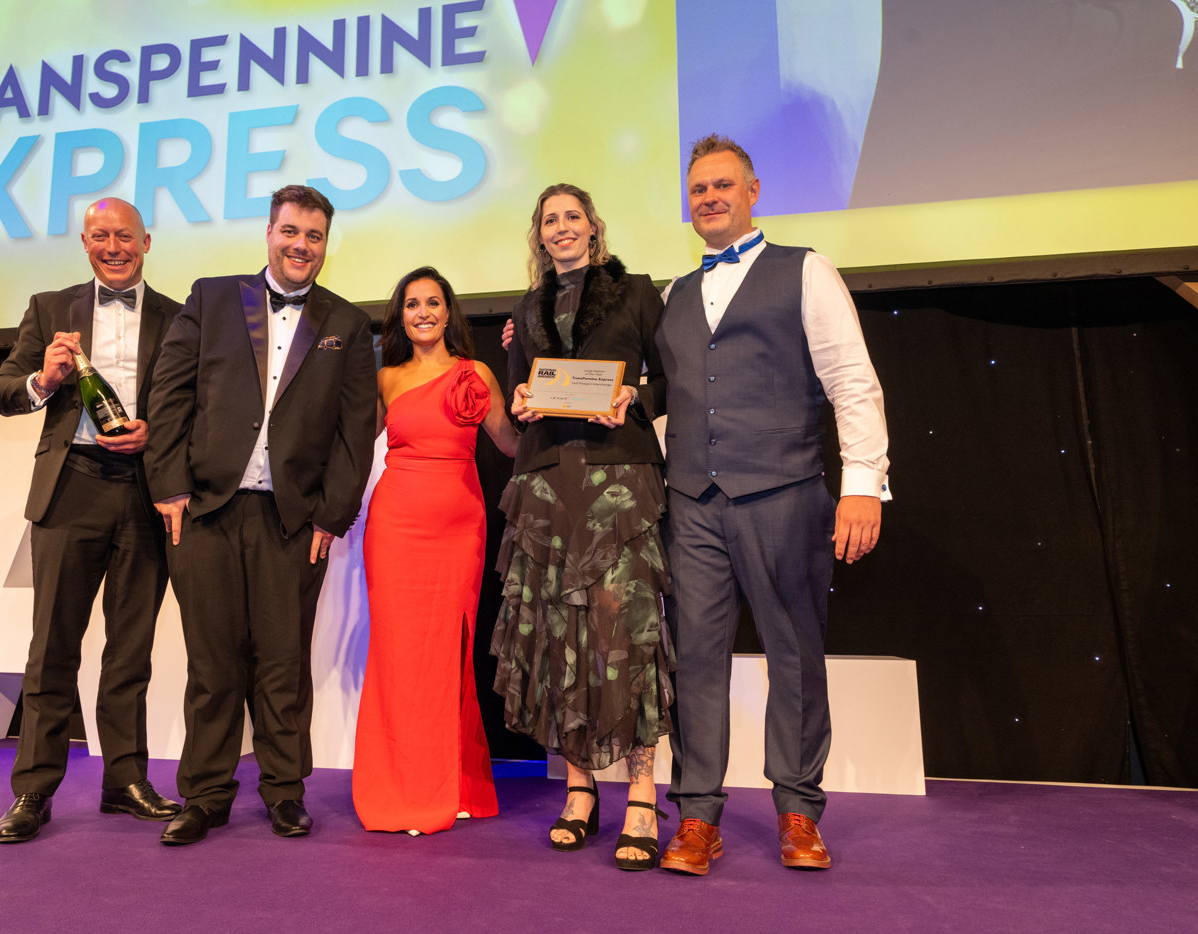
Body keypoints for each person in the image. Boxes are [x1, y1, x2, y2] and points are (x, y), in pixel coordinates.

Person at [655, 135, 890, 875]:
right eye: (699, 190)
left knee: (793, 653)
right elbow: (660, 400)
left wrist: (862, 484)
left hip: (784, 493)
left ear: (754, 191)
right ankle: (697, 817)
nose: (710, 198)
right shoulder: (670, 296)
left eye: (724, 185)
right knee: (694, 658)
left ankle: (797, 810)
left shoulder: (805, 270)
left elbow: (852, 379)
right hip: (692, 501)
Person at [144, 185, 375, 847]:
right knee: (211, 666)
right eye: (291, 232)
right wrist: (168, 486)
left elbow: (356, 430)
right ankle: (206, 795)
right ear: (268, 233)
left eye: (314, 236)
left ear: (326, 244)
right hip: (204, 512)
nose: (301, 245)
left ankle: (283, 791)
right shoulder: (212, 297)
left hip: (292, 522)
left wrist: (332, 516)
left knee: (281, 663)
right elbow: (170, 396)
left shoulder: (347, 324)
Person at [0, 197, 183, 843]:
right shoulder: (50, 307)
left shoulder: (180, 317)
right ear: (83, 241)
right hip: (69, 488)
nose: (113, 246)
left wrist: (156, 433)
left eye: (124, 235)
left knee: (131, 651)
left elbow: (195, 406)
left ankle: (124, 781)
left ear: (146, 241)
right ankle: (33, 792)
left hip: (142, 493)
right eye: (100, 235)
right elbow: (3, 391)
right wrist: (44, 379)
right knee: (51, 651)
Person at [492, 183, 675, 871]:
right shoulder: (523, 308)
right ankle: (578, 789)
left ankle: (640, 792)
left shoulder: (635, 293)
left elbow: (675, 376)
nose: (562, 229)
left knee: (622, 631)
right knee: (556, 631)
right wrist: (516, 396)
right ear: (538, 236)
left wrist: (635, 395)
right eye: (550, 221)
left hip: (618, 479)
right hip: (543, 481)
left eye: (573, 217)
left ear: (594, 228)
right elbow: (519, 403)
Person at [352, 267, 519, 835]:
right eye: (411, 304)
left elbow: (511, 443)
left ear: (450, 312)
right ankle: (405, 788)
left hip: (460, 529)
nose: (422, 312)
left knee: (450, 654)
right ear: (399, 315)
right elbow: (352, 454)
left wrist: (559, 410)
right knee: (400, 656)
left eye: (433, 302)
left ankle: (456, 784)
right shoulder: (387, 379)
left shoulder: (477, 373)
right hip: (395, 526)